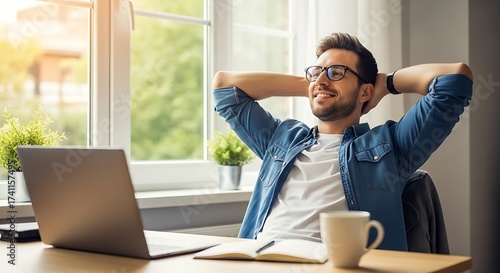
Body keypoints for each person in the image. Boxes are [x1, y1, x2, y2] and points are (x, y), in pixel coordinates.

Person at [212, 32, 473, 251]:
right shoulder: (282, 138)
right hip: (260, 259)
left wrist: (387, 83)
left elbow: (455, 79)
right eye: (316, 72)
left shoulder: (390, 146)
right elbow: (225, 88)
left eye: (337, 72)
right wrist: (315, 85)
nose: (322, 79)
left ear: (365, 91)